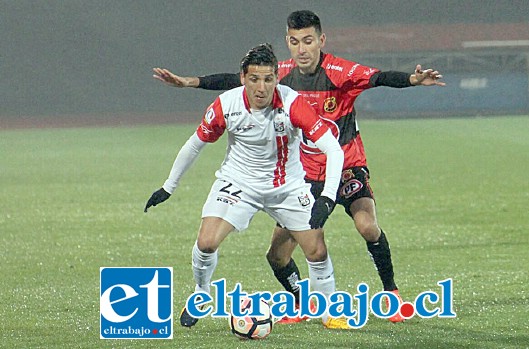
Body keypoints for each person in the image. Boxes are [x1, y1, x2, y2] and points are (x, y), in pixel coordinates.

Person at [153, 10, 445, 324]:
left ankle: (390, 292)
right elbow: (235, 80)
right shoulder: (279, 75)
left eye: (308, 41)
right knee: (277, 255)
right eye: (294, 42)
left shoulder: (338, 72)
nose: (301, 49)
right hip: (303, 174)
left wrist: (413, 80)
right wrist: (191, 83)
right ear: (288, 44)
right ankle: (302, 304)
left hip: (345, 166)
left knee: (366, 227)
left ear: (321, 40)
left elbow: (379, 78)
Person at [145, 43, 351, 330]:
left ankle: (328, 313)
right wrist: (169, 186)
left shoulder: (292, 103)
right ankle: (201, 294)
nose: (262, 87)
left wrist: (327, 198)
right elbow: (195, 145)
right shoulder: (226, 105)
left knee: (316, 250)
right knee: (206, 243)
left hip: (287, 187)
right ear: (242, 78)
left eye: (268, 79)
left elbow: (333, 149)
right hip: (238, 183)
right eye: (254, 79)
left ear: (277, 79)